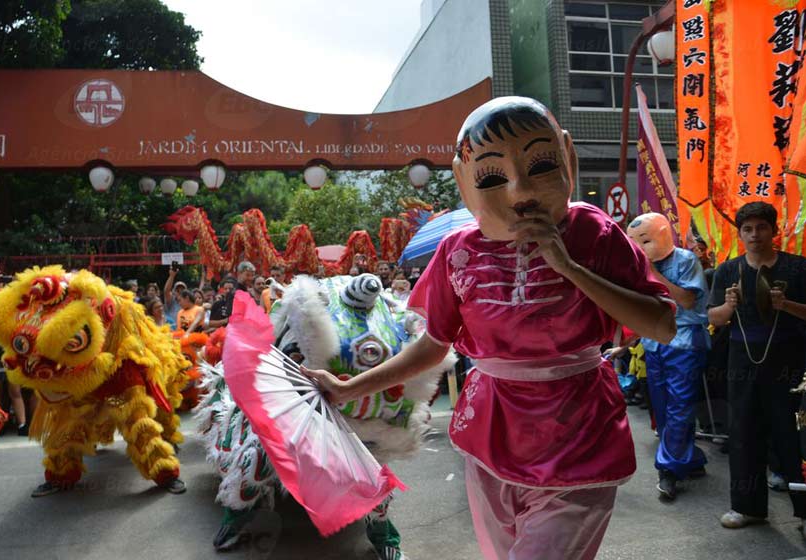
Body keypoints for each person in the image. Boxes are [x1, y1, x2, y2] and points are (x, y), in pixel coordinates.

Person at [303, 97, 676, 560]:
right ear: (464, 181)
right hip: (492, 430)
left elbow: (661, 324)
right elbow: (432, 345)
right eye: (493, 177)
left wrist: (569, 265)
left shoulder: (594, 232)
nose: (519, 192)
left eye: (540, 164)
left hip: (579, 432)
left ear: (568, 157)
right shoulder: (457, 250)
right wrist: (348, 388)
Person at [708, 201, 806, 531]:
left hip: (789, 360)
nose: (754, 234)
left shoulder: (797, 268)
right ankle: (748, 508)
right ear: (740, 234)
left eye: (761, 227)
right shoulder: (727, 270)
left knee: (794, 434)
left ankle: (805, 511)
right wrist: (728, 305)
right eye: (747, 229)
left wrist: (786, 305)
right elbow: (714, 318)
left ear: (774, 230)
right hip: (741, 360)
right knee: (744, 432)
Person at [627, 213, 710, 500]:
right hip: (654, 343)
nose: (640, 247)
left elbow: (687, 300)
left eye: (645, 240)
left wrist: (653, 273)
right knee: (662, 407)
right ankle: (690, 458)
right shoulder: (638, 266)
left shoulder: (685, 260)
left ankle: (669, 468)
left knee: (680, 405)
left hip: (684, 342)